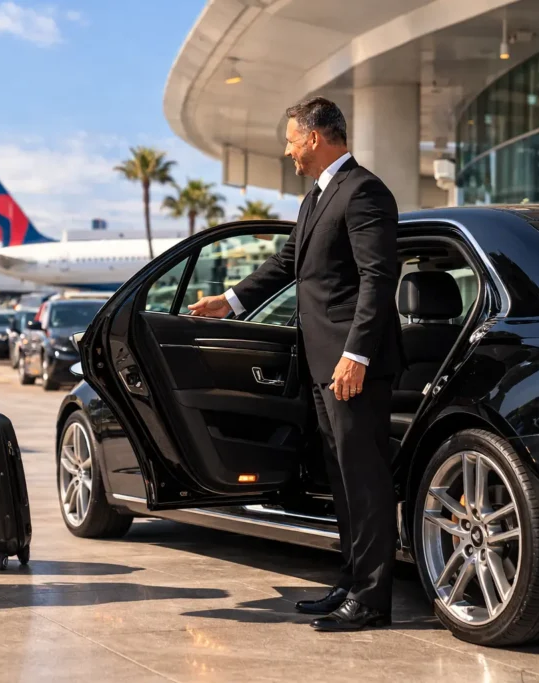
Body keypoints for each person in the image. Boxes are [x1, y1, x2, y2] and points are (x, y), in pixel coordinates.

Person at [189, 97, 401, 631]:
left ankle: (373, 600)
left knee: (366, 480)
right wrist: (231, 301)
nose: (287, 150)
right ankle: (351, 582)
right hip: (320, 362)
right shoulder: (315, 200)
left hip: (353, 364)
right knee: (342, 478)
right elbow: (288, 264)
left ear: (315, 136)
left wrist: (357, 355)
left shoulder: (365, 191)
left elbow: (378, 278)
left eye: (290, 140)